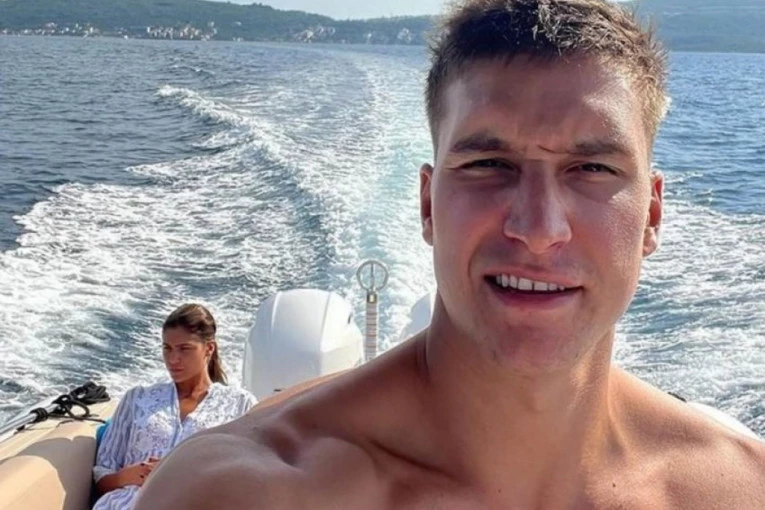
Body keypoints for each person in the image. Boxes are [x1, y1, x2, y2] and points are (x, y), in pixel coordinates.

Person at [135, 1, 765, 508]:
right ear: (428, 205)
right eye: (489, 164)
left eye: (593, 169)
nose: (539, 228)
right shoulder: (238, 494)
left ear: (651, 215)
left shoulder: (741, 491)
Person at [92, 303, 257, 510]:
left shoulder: (240, 404)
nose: (173, 359)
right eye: (167, 348)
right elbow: (102, 477)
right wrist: (128, 476)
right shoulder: (137, 398)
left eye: (184, 349)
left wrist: (183, 476)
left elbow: (250, 480)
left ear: (209, 348)